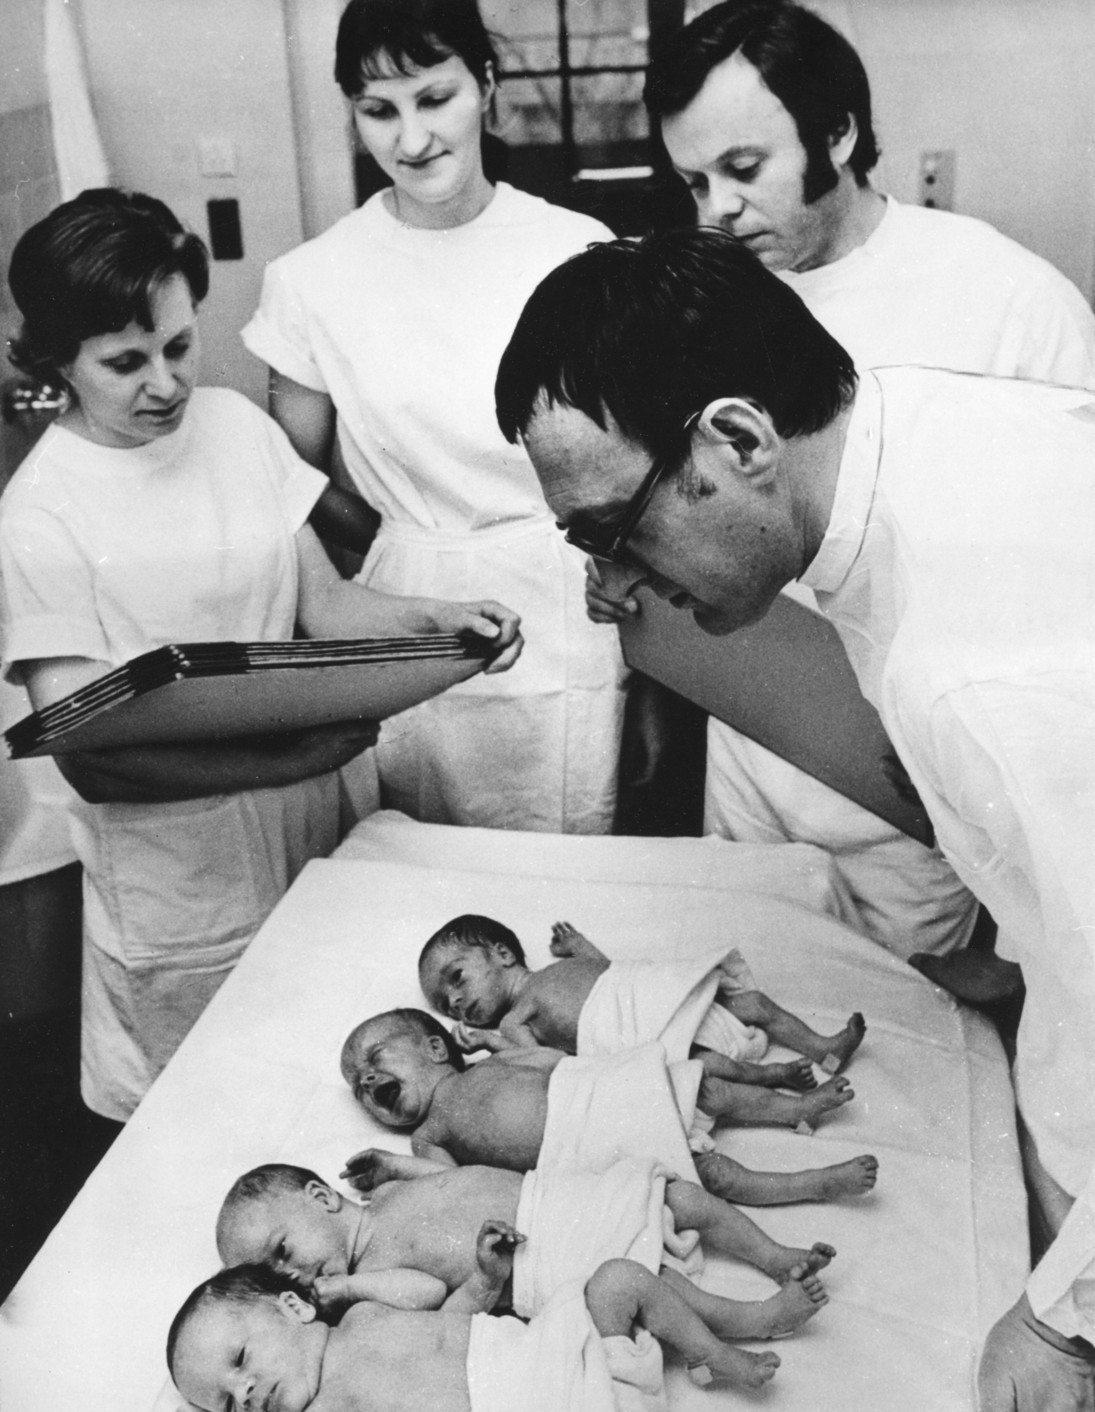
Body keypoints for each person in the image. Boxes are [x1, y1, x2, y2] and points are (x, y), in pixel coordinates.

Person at [494, 223, 1095, 1412]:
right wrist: (1031, 941)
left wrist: (1063, 1318)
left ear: (740, 441)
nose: (611, 576)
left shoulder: (974, 672)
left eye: (612, 527)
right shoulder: (916, 430)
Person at [586, 0, 1095, 963]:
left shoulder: (1007, 303)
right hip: (748, 761)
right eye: (691, 180)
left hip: (918, 796)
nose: (716, 211)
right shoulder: (703, 306)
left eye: (742, 170)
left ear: (838, 133)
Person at [0, 189, 520, 1123]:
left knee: (349, 1098)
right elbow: (88, 750)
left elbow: (325, 602)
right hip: (180, 877)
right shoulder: (41, 513)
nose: (164, 382)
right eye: (124, 363)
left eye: (178, 345)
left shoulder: (235, 426)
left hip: (315, 825)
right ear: (57, 362)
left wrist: (443, 623)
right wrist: (297, 756)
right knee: (211, 1121)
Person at [240, 0, 625, 833]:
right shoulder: (312, 280)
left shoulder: (574, 248)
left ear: (485, 84)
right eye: (378, 111)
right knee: (417, 874)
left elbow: (624, 465)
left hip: (565, 604)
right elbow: (289, 484)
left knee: (565, 869)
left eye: (433, 97)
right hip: (404, 616)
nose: (410, 140)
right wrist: (390, 545)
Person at [122, 1249, 875, 1412]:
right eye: (228, 1404)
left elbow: (440, 1306)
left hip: (548, 1352)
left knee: (618, 1279)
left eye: (240, 1362)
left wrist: (481, 1280)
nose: (245, 1394)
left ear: (293, 1306)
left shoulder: (360, 1317)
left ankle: (736, 1338)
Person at [216, 1161, 829, 1370]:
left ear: (323, 1198)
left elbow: (453, 1178)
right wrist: (346, 1285)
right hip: (542, 1266)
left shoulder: (388, 1198)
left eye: (282, 1251)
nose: (289, 1276)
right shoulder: (368, 1287)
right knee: (650, 1281)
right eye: (273, 1276)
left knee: (679, 1198)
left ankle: (774, 1255)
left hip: (554, 1203)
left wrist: (397, 1166)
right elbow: (432, 1297)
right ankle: (754, 1319)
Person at [342, 1007, 860, 1196]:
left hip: (601, 1095)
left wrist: (503, 1043)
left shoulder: (490, 1065)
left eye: (375, 1057)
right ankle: (814, 1183)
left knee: (708, 1089)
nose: (367, 1080)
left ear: (436, 1047)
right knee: (715, 1178)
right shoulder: (426, 1135)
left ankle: (795, 1107)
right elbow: (453, 1184)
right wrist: (392, 1167)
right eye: (359, 1087)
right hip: (584, 1156)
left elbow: (553, 1060)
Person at [418, 912, 866, 1080]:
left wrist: (579, 947)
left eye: (456, 978)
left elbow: (609, 974)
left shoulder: (557, 970)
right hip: (642, 1039)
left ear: (501, 953)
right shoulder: (515, 1020)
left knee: (754, 1005)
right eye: (444, 1004)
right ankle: (785, 1082)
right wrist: (491, 1042)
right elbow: (540, 1065)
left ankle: (823, 1048)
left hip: (651, 1001)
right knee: (704, 1068)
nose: (455, 1002)